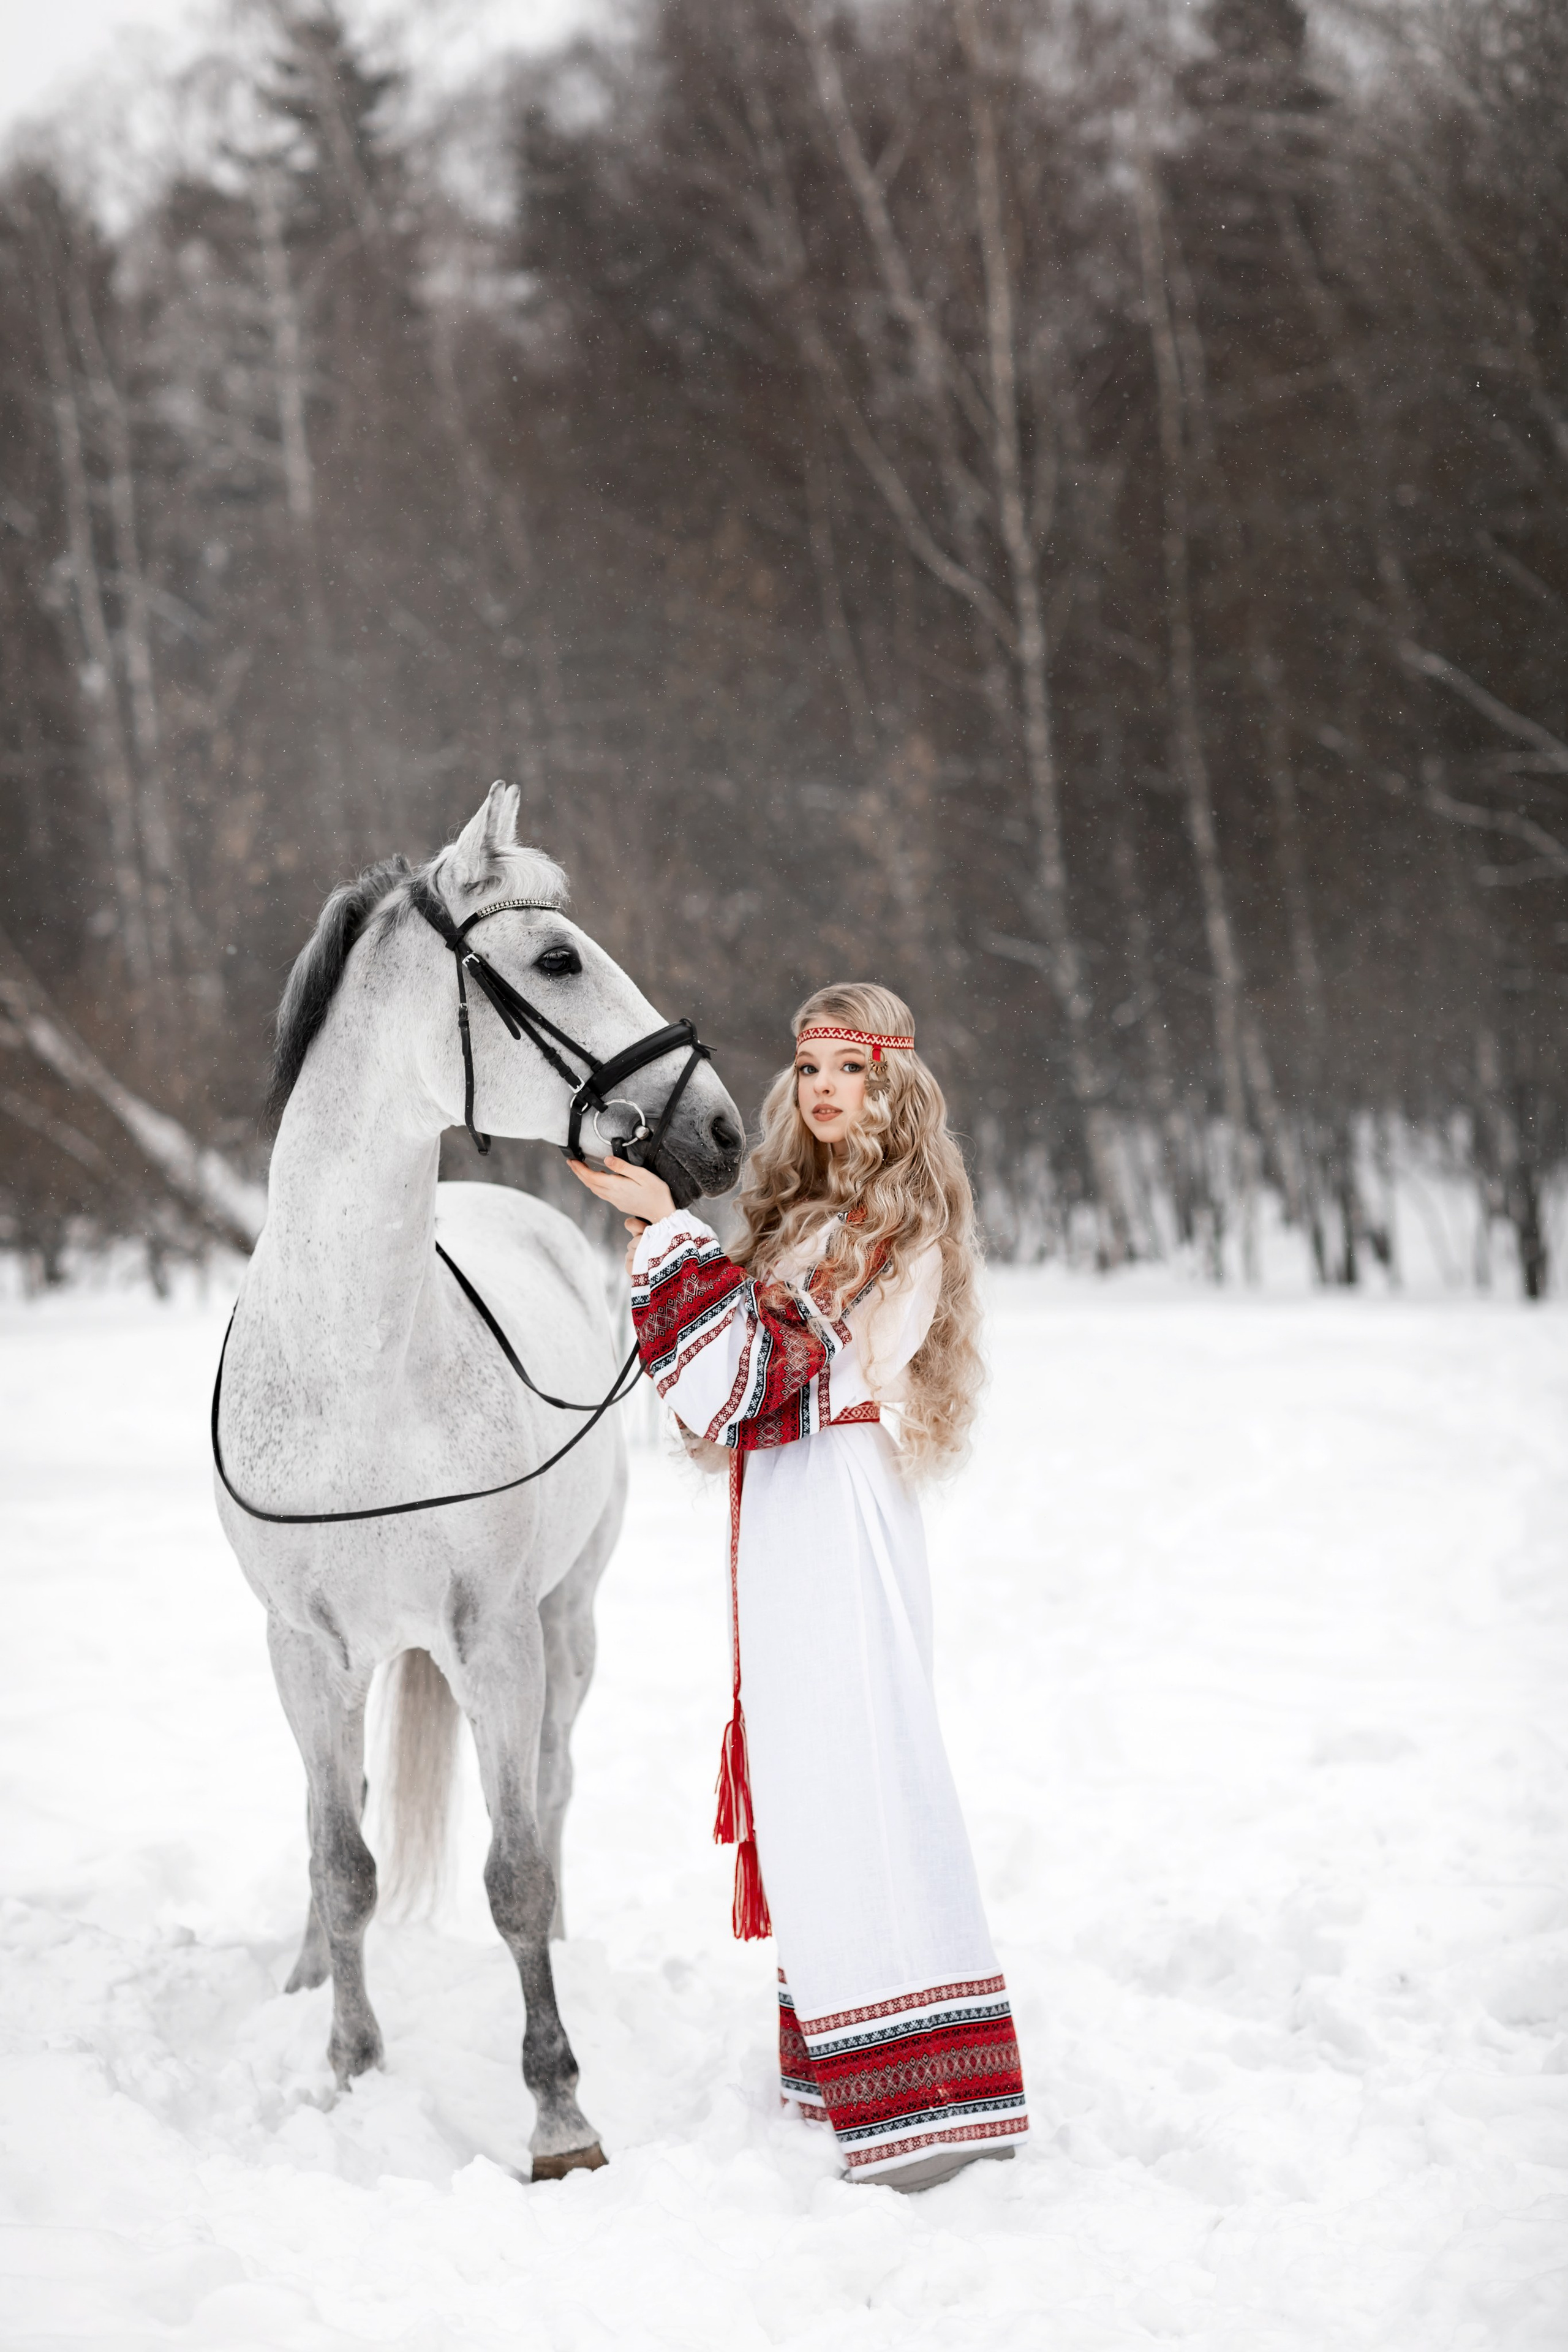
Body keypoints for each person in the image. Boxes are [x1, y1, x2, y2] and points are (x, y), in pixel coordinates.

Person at [571, 982, 1028, 2190]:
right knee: (815, 1770)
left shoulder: (889, 1226)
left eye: (851, 1070)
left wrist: (669, 1232)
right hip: (790, 1507)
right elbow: (724, 1363)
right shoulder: (808, 1221)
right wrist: (668, 1237)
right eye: (810, 1068)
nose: (824, 1090)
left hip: (833, 1505)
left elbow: (754, 1371)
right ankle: (853, 2060)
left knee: (855, 1766)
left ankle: (929, 2098)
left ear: (893, 1089)